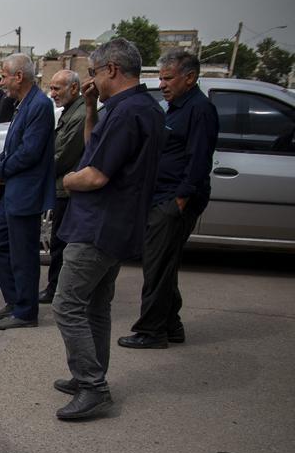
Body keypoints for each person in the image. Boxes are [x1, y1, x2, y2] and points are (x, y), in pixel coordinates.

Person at [53, 38, 166, 420]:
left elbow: (95, 175)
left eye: (94, 72)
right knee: (96, 306)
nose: (92, 80)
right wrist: (90, 108)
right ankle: (90, 374)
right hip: (115, 225)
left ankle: (93, 386)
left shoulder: (127, 112)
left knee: (67, 304)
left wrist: (65, 180)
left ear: (112, 70)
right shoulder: (141, 108)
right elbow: (95, 150)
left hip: (98, 227)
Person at [119, 49, 218, 350]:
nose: (162, 85)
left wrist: (180, 200)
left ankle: (151, 331)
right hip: (161, 195)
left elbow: (199, 160)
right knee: (162, 265)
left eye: (168, 78)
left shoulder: (200, 109)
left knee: (157, 266)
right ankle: (171, 325)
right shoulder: (174, 107)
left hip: (173, 200)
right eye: (160, 78)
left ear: (190, 78)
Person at [0, 53, 55, 330]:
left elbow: (29, 151)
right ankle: (16, 299)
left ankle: (26, 312)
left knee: (24, 254)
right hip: (13, 192)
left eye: (4, 76)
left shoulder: (40, 105)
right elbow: (14, 144)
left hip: (25, 192)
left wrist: (2, 169)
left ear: (19, 76)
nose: (2, 82)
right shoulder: (23, 103)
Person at [38, 69, 86, 304]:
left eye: (57, 88)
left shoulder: (80, 115)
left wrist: (37, 173)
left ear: (74, 88)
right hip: (61, 188)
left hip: (66, 191)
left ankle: (56, 288)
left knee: (60, 243)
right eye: (51, 88)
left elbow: (63, 156)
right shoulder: (71, 111)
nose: (52, 93)